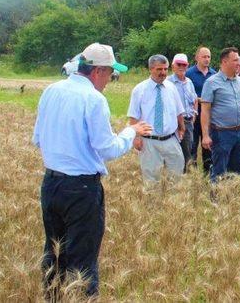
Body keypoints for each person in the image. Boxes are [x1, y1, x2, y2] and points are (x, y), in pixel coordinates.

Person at [34, 42, 152, 297]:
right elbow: (107, 148)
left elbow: (38, 138)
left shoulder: (51, 90)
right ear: (98, 71)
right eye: (110, 73)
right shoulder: (94, 99)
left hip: (50, 184)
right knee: (82, 259)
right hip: (81, 189)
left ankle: (52, 298)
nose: (110, 79)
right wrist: (131, 132)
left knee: (54, 252)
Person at [128, 55, 186, 188]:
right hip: (149, 141)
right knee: (151, 180)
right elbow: (133, 117)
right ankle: (154, 205)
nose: (163, 73)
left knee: (177, 175)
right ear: (151, 69)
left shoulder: (171, 88)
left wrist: (182, 127)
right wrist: (136, 138)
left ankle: (175, 204)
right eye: (159, 69)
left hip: (171, 139)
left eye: (166, 69)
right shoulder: (139, 90)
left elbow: (178, 111)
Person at [200, 47, 240, 182]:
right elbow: (205, 110)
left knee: (236, 171)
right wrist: (205, 135)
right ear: (224, 62)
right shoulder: (211, 82)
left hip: (239, 132)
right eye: (235, 60)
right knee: (219, 169)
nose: (238, 63)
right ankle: (216, 199)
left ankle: (231, 198)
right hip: (221, 134)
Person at [186, 46, 216, 174]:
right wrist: (200, 99)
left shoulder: (214, 74)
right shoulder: (189, 74)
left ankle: (207, 173)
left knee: (208, 144)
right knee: (192, 145)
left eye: (208, 57)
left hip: (209, 116)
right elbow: (186, 94)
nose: (206, 59)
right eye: (204, 56)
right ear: (197, 57)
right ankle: (192, 174)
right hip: (194, 115)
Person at [167, 53, 198, 172]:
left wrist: (195, 113)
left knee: (188, 151)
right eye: (178, 64)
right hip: (174, 123)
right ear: (173, 66)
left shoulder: (189, 82)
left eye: (183, 65)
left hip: (189, 122)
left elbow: (195, 99)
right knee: (176, 153)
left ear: (187, 66)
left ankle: (184, 179)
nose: (181, 67)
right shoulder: (168, 82)